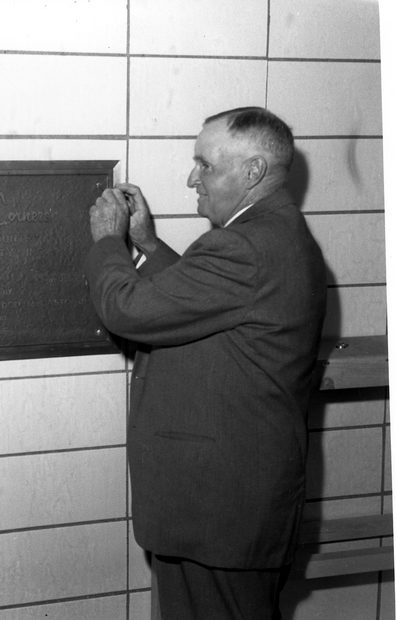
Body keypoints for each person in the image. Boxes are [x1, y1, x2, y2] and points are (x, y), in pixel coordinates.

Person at [85, 107, 326, 619]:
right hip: (229, 512)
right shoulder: (271, 234)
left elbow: (126, 310)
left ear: (252, 172)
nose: (192, 177)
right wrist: (147, 244)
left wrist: (109, 240)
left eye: (205, 165)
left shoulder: (244, 245)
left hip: (218, 515)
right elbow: (208, 304)